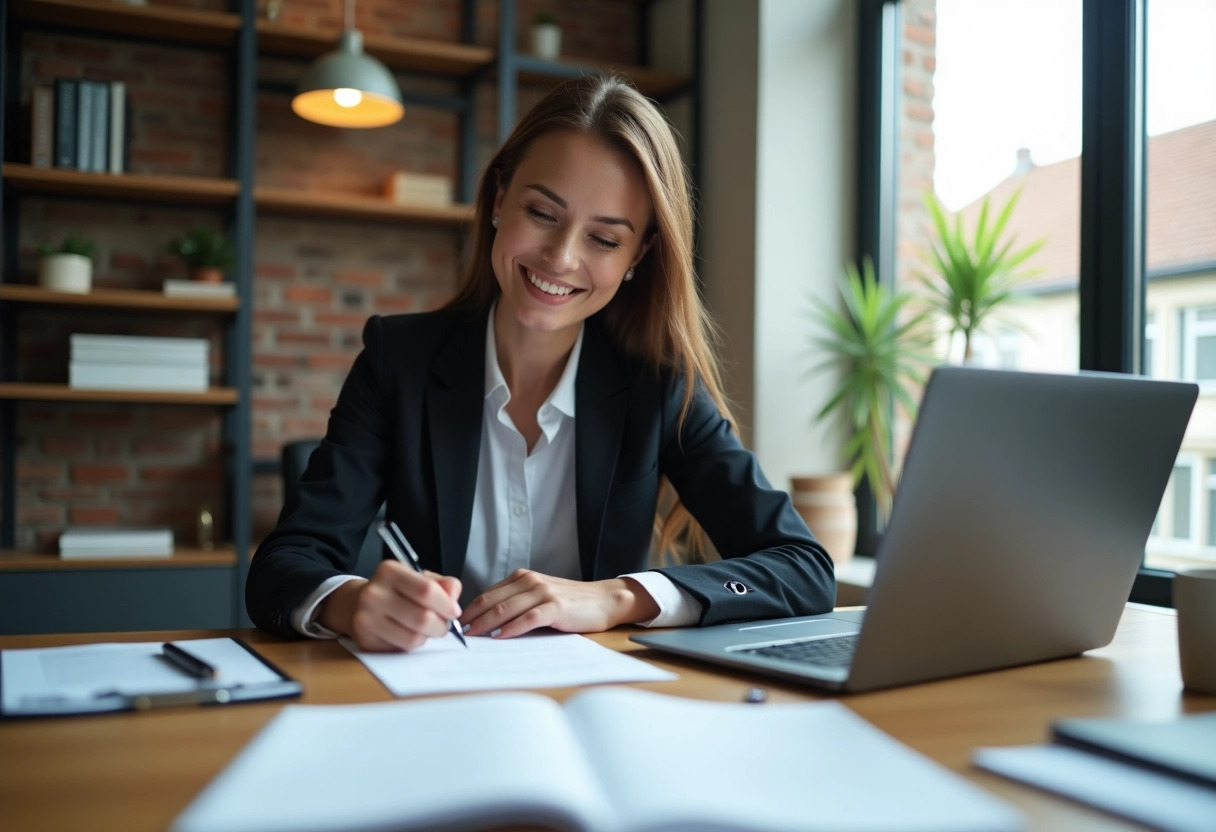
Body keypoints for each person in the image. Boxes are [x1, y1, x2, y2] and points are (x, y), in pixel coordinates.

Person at [247, 74, 835, 650]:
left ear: (638, 255)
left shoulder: (657, 384)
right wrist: (352, 604)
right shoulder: (396, 361)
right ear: (500, 200)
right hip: (429, 700)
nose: (560, 257)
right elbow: (282, 566)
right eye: (542, 213)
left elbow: (805, 568)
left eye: (604, 240)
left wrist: (616, 597)